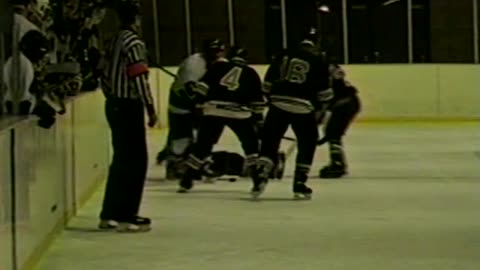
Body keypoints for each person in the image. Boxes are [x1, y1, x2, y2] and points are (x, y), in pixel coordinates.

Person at [250, 28, 333, 200]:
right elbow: (325, 95)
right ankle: (299, 183)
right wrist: (320, 111)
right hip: (302, 107)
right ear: (316, 43)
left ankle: (262, 172)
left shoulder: (283, 55)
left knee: (270, 141)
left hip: (278, 103)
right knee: (308, 143)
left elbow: (266, 85)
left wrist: (273, 99)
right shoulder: (320, 60)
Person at [98, 0, 157, 233]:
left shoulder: (113, 40)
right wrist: (150, 107)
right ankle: (128, 215)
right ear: (136, 18)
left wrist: (111, 96)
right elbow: (138, 76)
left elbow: (102, 73)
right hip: (129, 106)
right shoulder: (133, 42)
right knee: (136, 160)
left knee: (121, 159)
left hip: (113, 104)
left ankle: (109, 213)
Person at [177, 46, 265, 193]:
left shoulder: (218, 66)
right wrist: (258, 122)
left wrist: (193, 92)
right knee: (251, 146)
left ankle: (187, 179)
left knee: (203, 146)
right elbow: (257, 104)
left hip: (214, 110)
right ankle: (257, 179)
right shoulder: (251, 73)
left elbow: (202, 89)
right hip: (238, 113)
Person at [156, 38, 226, 179]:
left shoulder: (222, 64)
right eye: (214, 52)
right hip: (181, 105)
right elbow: (189, 93)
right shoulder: (193, 65)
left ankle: (197, 160)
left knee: (205, 136)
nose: (217, 55)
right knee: (181, 140)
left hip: (201, 104)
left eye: (219, 52)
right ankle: (174, 162)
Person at [317, 65, 361, 178]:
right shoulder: (329, 66)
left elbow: (324, 102)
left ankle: (337, 164)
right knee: (332, 133)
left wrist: (317, 121)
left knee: (333, 133)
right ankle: (338, 163)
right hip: (351, 102)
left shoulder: (320, 70)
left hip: (344, 103)